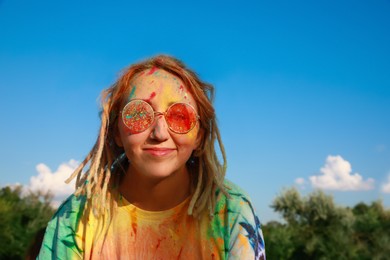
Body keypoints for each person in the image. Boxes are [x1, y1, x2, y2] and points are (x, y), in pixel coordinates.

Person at [38, 55, 266, 259]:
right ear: (117, 132)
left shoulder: (230, 211)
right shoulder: (78, 216)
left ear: (199, 137)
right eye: (138, 114)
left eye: (180, 115)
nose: (159, 133)